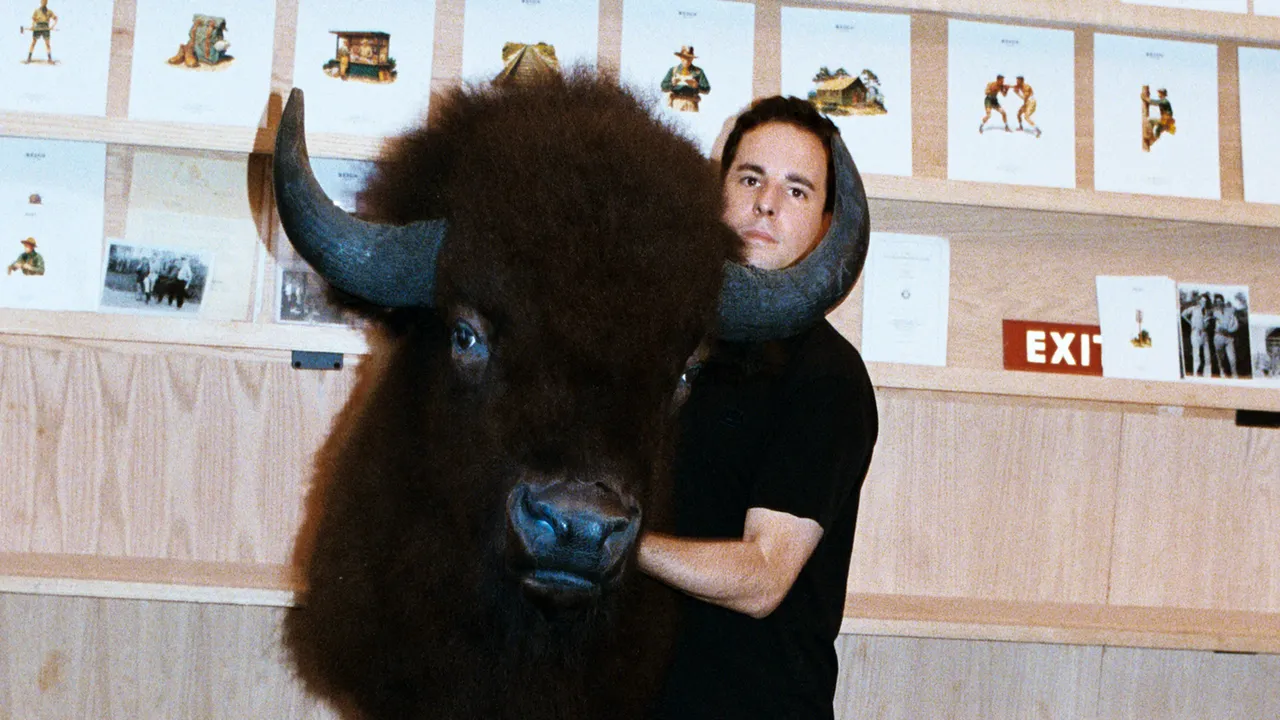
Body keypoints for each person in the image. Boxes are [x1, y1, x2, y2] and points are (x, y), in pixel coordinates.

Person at [641, 96, 878, 719]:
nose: (766, 203)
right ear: (718, 195)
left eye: (796, 190)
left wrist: (618, 543)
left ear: (825, 226)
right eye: (750, 179)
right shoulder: (661, 343)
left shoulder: (828, 376)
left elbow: (764, 578)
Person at [661, 46, 711, 112]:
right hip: (676, 103)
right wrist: (672, 84)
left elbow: (707, 89)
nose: (686, 61)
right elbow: (663, 87)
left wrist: (696, 86)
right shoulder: (673, 70)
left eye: (689, 58)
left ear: (692, 59)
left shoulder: (698, 72)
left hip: (691, 104)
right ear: (680, 57)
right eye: (684, 58)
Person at [1181, 292, 1210, 377]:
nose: (1204, 302)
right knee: (1196, 355)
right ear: (1199, 301)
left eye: (1205, 301)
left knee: (1207, 356)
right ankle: (1195, 374)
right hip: (1196, 333)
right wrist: (1191, 323)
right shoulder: (1194, 309)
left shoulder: (1207, 311)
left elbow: (1207, 322)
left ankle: (1207, 375)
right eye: (1202, 301)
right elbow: (1183, 314)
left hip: (1204, 333)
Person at [1212, 293, 1239, 378]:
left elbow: (1235, 324)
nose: (1219, 303)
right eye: (1217, 302)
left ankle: (1235, 375)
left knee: (1232, 358)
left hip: (1229, 337)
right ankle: (1222, 372)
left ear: (1223, 301)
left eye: (1220, 301)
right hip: (1218, 337)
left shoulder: (1230, 310)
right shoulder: (1214, 312)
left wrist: (1230, 330)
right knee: (1220, 357)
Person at [1142, 86, 1175, 151]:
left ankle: (1149, 136)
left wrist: (1145, 98)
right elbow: (1154, 103)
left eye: (1160, 93)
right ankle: (1151, 140)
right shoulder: (1164, 101)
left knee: (1150, 121)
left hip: (1166, 120)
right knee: (1158, 131)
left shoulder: (1164, 101)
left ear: (1162, 94)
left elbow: (1155, 102)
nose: (1159, 94)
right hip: (1167, 121)